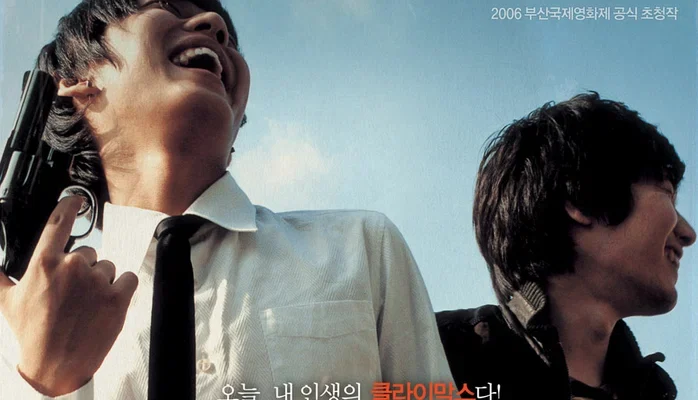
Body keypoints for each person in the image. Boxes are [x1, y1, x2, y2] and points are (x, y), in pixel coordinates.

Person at [0, 1, 454, 398]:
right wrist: (42, 382)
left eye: (231, 40)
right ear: (77, 82)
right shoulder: (17, 328)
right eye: (165, 5)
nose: (215, 25)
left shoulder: (362, 247)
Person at [437, 93, 696, 400]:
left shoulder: (655, 393)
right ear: (585, 198)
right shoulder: (430, 355)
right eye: (667, 194)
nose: (688, 233)